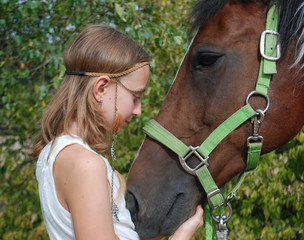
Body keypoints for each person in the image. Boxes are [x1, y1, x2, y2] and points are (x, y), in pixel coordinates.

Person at [31, 25, 203, 240]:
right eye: (135, 97)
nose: (138, 111)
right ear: (101, 88)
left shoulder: (56, 153)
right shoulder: (86, 164)